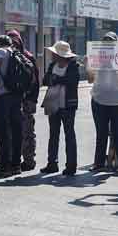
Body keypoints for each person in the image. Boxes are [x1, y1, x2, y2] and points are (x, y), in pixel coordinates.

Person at [88, 31, 118, 172]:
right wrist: (89, 64)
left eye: (111, 42)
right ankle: (99, 163)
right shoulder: (96, 56)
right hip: (99, 99)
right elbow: (90, 79)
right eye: (106, 41)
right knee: (101, 133)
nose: (108, 44)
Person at [41, 41, 80, 176]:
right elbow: (45, 80)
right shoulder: (52, 65)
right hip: (52, 102)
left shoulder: (73, 66)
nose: (52, 55)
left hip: (67, 105)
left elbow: (71, 81)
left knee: (69, 135)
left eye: (54, 53)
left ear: (60, 55)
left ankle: (71, 166)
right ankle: (52, 164)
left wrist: (56, 79)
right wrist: (56, 79)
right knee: (53, 135)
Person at [0, 35, 23, 178]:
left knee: (2, 131)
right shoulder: (17, 53)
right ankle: (16, 165)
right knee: (16, 130)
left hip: (3, 96)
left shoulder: (0, 52)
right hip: (16, 96)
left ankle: (4, 166)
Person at [7, 29, 41, 172]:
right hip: (12, 100)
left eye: (15, 42)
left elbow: (36, 81)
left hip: (26, 100)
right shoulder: (6, 57)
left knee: (27, 131)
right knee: (11, 132)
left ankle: (28, 160)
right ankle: (12, 161)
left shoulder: (28, 57)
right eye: (11, 42)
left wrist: (32, 100)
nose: (13, 45)